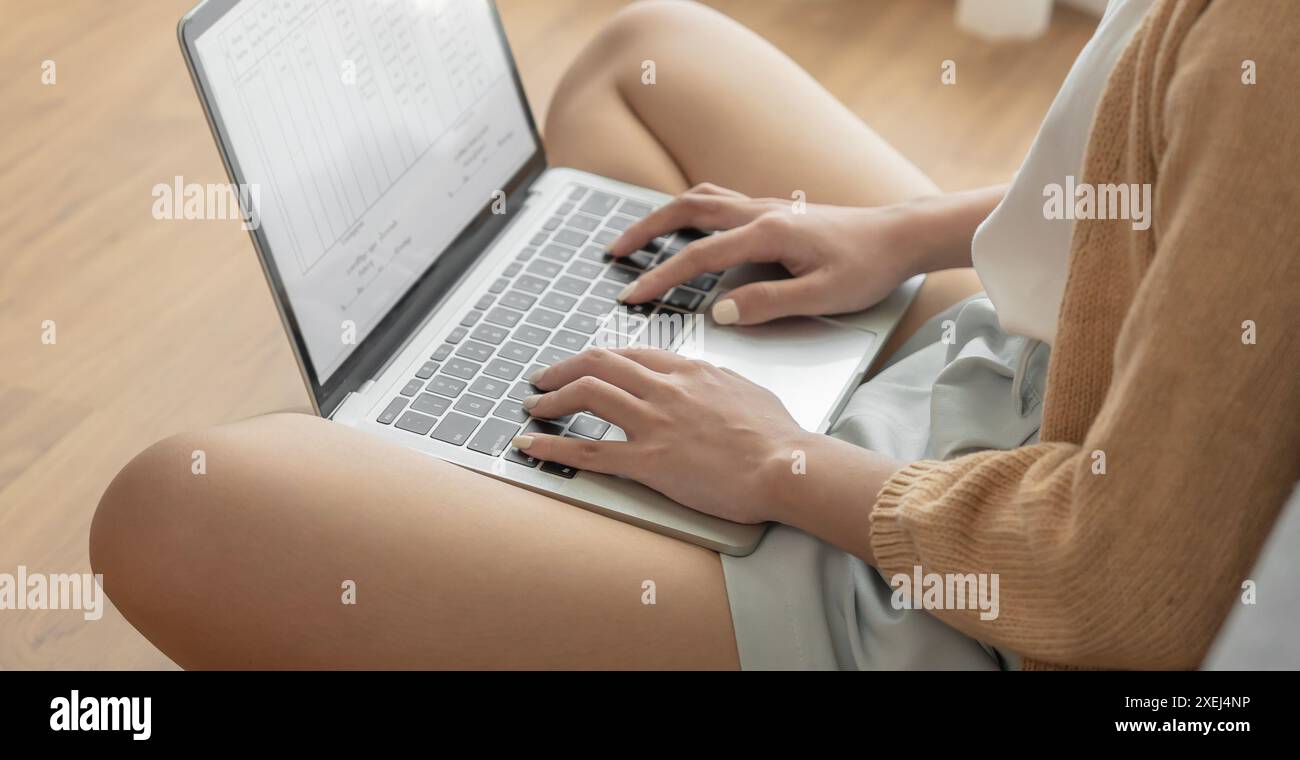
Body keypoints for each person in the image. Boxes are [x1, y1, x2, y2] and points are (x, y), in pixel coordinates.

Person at [91, 0, 1300, 669]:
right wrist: (902, 231)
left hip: (982, 581)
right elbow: (1189, 195)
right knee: (644, 58)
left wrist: (777, 464)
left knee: (168, 512)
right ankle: (532, 510)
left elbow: (1111, 593)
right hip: (1039, 376)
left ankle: (551, 532)